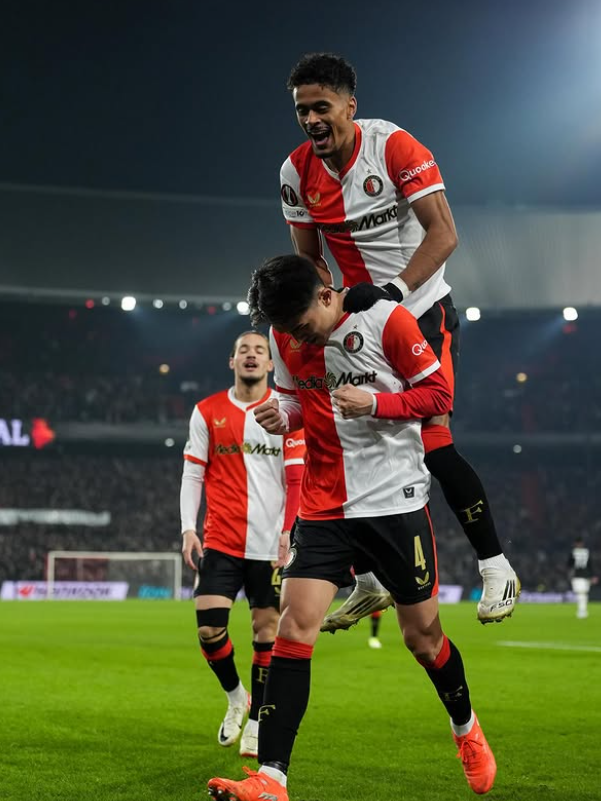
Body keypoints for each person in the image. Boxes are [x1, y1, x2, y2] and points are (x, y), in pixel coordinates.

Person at [207, 256, 497, 801]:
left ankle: (465, 728)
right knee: (294, 628)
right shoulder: (284, 334)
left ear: (325, 296)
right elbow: (294, 399)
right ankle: (272, 777)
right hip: (323, 506)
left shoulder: (387, 321)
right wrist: (282, 415)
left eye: (301, 326)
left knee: (422, 638)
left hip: (394, 502)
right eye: (286, 331)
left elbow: (439, 396)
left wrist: (376, 403)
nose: (296, 339)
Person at [279, 52, 519, 627]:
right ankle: (366, 581)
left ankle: (496, 566)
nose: (311, 120)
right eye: (301, 110)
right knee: (337, 436)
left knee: (433, 441)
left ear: (350, 106)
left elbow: (445, 233)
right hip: (357, 320)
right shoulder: (295, 172)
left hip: (420, 310)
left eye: (321, 107)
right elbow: (308, 260)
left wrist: (393, 291)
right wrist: (316, 307)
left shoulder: (393, 148)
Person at [180, 331, 305, 758]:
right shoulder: (207, 411)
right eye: (243, 350)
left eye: (260, 350)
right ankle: (237, 697)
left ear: (271, 364)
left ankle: (255, 723)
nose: (251, 355)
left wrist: (289, 532)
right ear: (231, 361)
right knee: (208, 628)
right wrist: (188, 528)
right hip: (221, 541)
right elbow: (193, 473)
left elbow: (296, 480)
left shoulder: (286, 414)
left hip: (270, 545)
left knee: (265, 632)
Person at [568, 538, 597, 619]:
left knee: (580, 594)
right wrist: (593, 575)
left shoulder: (573, 552)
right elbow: (590, 565)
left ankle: (581, 611)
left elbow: (569, 564)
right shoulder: (587, 552)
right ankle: (583, 610)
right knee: (584, 594)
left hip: (577, 576)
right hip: (586, 576)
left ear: (576, 543)